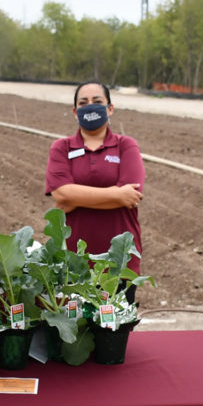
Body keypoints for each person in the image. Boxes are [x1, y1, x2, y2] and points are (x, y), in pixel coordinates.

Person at [44, 80, 145, 281]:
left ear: (110, 109)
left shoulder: (126, 145)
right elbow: (61, 193)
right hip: (73, 261)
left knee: (119, 313)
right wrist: (117, 194)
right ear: (75, 111)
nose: (90, 106)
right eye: (83, 102)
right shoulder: (61, 147)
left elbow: (130, 196)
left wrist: (74, 199)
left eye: (97, 101)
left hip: (120, 262)